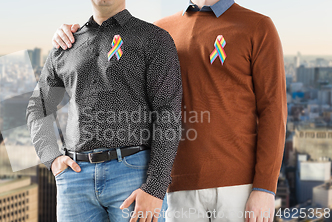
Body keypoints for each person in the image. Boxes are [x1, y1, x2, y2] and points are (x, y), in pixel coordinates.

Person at [51, 0, 287, 221]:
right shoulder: (159, 32)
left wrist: (265, 187)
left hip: (238, 185)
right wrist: (74, 36)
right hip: (175, 186)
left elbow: (273, 110)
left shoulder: (257, 26)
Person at [26, 0, 182, 221]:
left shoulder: (153, 39)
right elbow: (38, 106)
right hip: (75, 180)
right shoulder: (66, 45)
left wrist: (155, 188)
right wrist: (52, 158)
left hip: (134, 174)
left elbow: (168, 114)